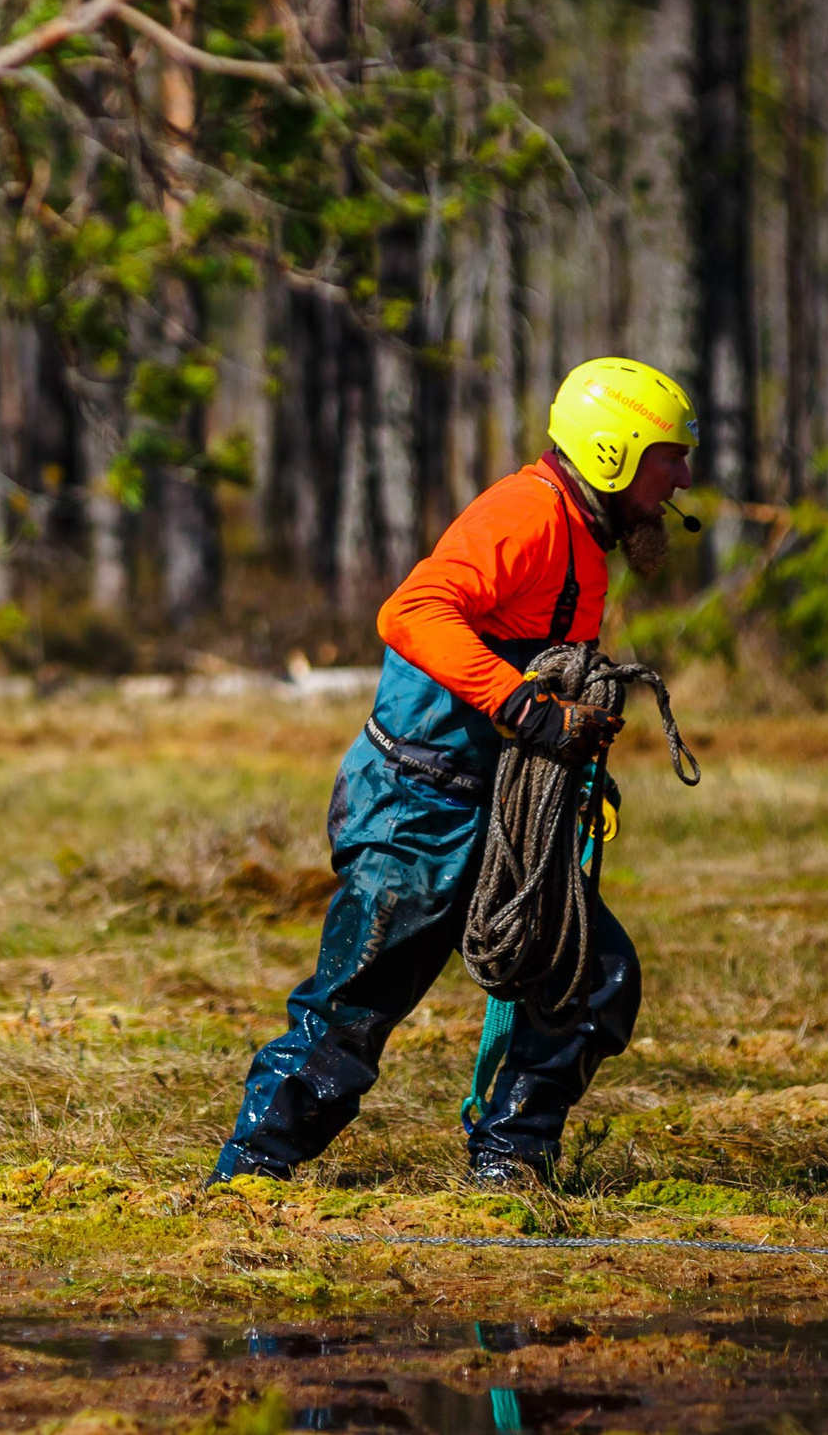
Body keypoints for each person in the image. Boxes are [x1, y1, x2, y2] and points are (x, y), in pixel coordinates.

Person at [213, 356, 698, 1186]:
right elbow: (412, 612)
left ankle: (511, 1162)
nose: (683, 475)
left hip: (498, 818)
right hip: (416, 809)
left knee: (595, 978)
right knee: (352, 1014)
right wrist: (525, 709)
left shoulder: (584, 536)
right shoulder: (526, 515)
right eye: (669, 456)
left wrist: (570, 770)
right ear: (612, 453)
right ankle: (248, 1179)